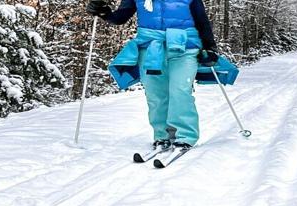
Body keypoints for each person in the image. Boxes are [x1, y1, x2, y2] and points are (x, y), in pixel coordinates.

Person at [86, 0, 222, 155]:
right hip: (151, 48)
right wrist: (104, 13)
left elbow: (201, 19)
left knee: (180, 90)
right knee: (155, 93)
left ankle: (185, 136)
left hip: (185, 47)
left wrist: (210, 47)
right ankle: (161, 136)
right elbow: (121, 17)